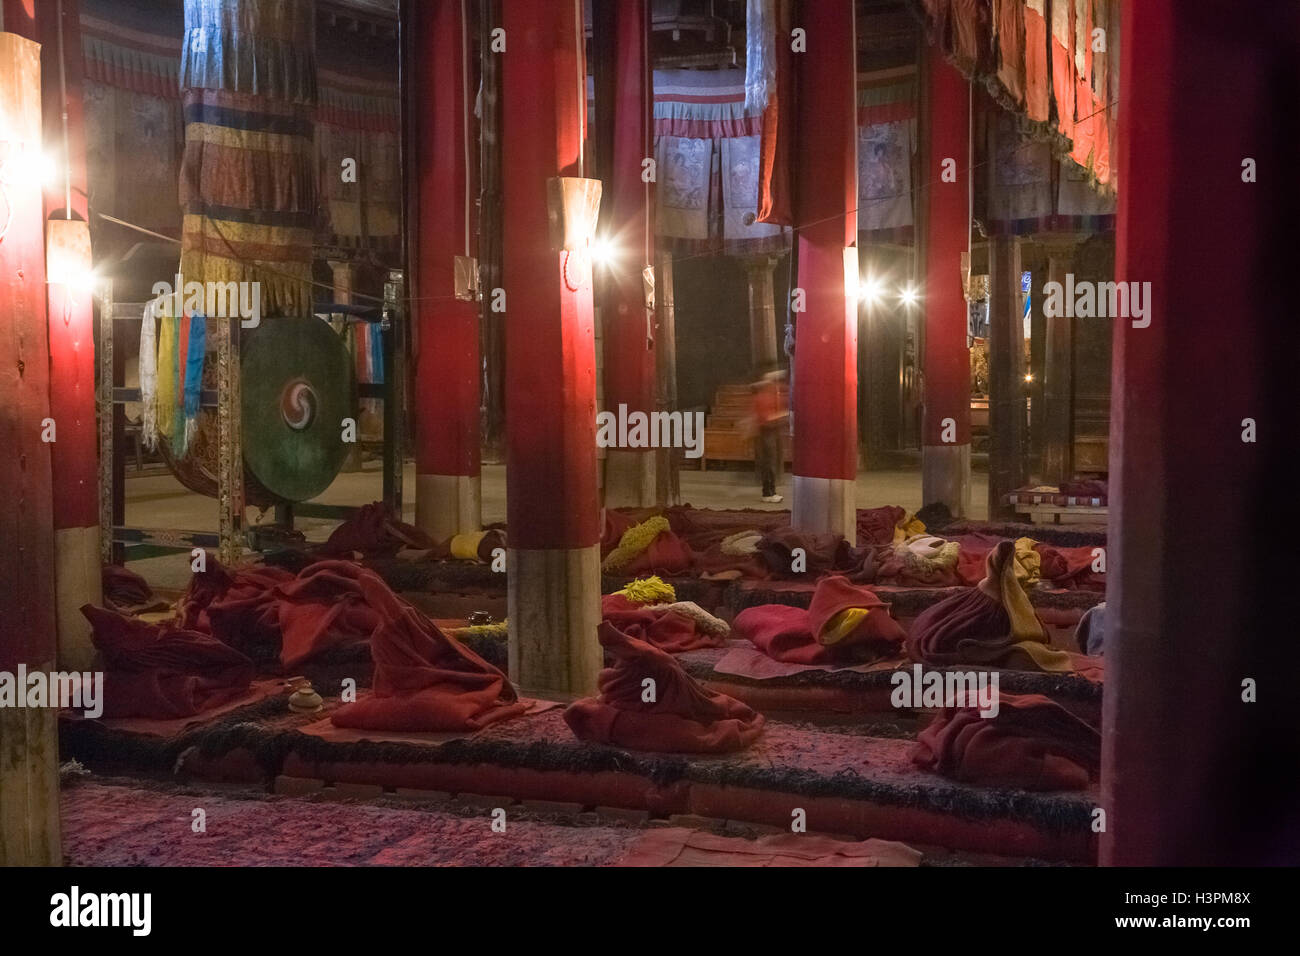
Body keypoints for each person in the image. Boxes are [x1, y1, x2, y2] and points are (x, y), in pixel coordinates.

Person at [749, 369, 787, 503]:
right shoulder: (763, 397)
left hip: (769, 431)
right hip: (766, 432)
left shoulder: (768, 395)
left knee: (770, 463)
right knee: (769, 464)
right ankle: (768, 493)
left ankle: (770, 492)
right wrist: (782, 415)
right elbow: (766, 418)